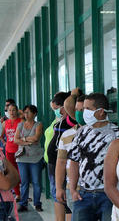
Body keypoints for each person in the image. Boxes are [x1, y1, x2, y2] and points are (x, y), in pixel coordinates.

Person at [68, 93, 119, 221]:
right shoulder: (81, 132)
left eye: (88, 109)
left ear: (101, 112)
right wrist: (73, 190)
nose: (84, 113)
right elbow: (74, 162)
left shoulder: (117, 134)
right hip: (83, 196)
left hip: (108, 196)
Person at [55, 89, 86, 221]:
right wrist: (58, 188)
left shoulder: (106, 134)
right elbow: (61, 163)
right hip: (73, 189)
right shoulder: (67, 135)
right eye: (77, 110)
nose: (80, 113)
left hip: (99, 190)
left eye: (83, 110)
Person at [47, 91, 77, 221]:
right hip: (54, 164)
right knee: (57, 196)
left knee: (66, 201)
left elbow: (70, 104)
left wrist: (72, 94)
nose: (57, 111)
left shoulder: (72, 120)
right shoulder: (61, 120)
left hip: (65, 165)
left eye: (58, 108)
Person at [14, 105, 44, 212]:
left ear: (34, 113)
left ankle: (37, 203)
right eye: (25, 112)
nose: (26, 114)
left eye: (28, 112)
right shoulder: (20, 125)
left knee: (36, 182)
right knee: (24, 181)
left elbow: (36, 138)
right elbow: (15, 140)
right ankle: (23, 204)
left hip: (35, 157)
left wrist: (23, 139)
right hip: (22, 158)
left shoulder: (38, 124)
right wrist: (28, 141)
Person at [1, 103, 22, 201]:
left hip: (20, 151)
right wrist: (4, 142)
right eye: (10, 110)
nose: (12, 112)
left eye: (14, 110)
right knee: (12, 173)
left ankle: (23, 192)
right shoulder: (5, 123)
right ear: (7, 112)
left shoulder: (21, 121)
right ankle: (17, 194)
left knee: (21, 173)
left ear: (17, 111)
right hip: (9, 150)